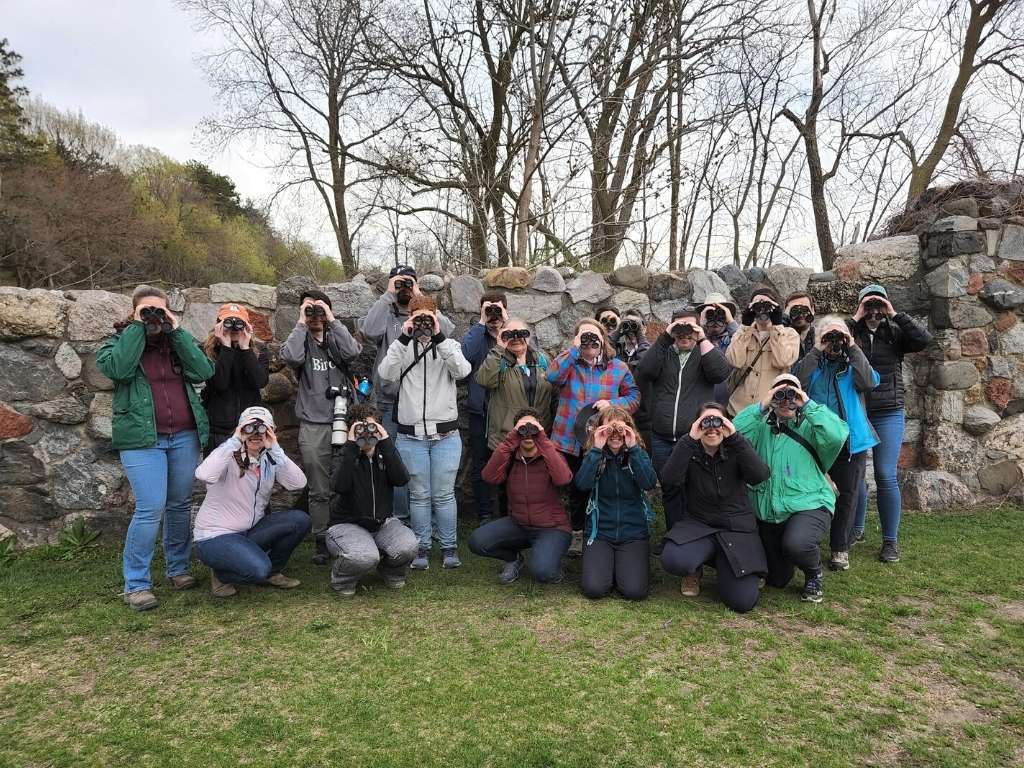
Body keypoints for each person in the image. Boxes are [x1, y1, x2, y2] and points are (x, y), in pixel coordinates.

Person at [97, 285, 215, 611]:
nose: (153, 317)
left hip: (184, 436)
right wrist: (136, 328)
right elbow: (118, 370)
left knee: (179, 504)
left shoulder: (177, 343)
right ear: (133, 312)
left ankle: (178, 568)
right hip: (141, 440)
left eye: (159, 311)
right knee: (150, 508)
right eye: (146, 310)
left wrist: (176, 333)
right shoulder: (115, 344)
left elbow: (204, 371)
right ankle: (136, 584)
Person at [734, 373, 849, 603]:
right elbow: (734, 434)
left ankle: (813, 573)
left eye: (792, 394)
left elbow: (838, 434)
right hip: (769, 510)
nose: (787, 400)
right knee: (778, 579)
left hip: (809, 503)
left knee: (798, 544)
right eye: (780, 394)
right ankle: (788, 560)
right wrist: (762, 406)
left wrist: (806, 404)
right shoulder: (760, 427)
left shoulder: (812, 426)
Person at [378, 295, 471, 570]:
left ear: (436, 316)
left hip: (445, 436)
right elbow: (386, 373)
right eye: (415, 315)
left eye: (426, 316)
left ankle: (449, 547)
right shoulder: (402, 345)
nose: (421, 321)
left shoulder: (449, 344)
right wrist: (404, 338)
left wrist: (439, 337)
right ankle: (421, 548)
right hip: (410, 435)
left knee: (443, 494)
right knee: (418, 495)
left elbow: (462, 370)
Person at [361, 265, 455, 522]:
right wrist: (388, 294)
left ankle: (429, 520)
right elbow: (369, 331)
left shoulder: (425, 313)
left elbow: (449, 331)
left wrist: (420, 297)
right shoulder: (387, 313)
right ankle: (401, 517)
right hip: (390, 401)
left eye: (408, 282)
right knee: (395, 462)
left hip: (426, 406)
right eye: (399, 283)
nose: (404, 287)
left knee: (426, 468)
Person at [660, 404, 771, 612]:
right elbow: (669, 479)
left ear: (727, 424)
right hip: (699, 525)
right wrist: (690, 439)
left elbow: (760, 476)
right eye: (705, 423)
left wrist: (736, 438)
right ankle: (695, 569)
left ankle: (729, 566)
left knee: (742, 601)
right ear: (696, 426)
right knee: (674, 559)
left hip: (736, 528)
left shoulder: (737, 447)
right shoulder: (689, 449)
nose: (712, 428)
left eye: (718, 422)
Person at [850, 284, 933, 563]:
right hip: (858, 411)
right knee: (856, 474)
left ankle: (890, 541)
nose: (873, 311)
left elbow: (923, 340)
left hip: (889, 411)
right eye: (868, 305)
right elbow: (832, 342)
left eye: (878, 305)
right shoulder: (854, 334)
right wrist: (856, 317)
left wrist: (894, 314)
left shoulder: (895, 332)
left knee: (885, 475)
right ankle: (856, 529)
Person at [280, 289, 362, 564]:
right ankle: (321, 539)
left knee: (348, 480)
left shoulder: (337, 338)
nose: (315, 315)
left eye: (319, 310)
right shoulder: (301, 341)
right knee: (319, 487)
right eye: (309, 310)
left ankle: (348, 533)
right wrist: (302, 322)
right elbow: (290, 357)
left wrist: (332, 321)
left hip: (345, 420)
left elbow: (353, 352)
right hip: (314, 423)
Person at [546, 320, 640, 554]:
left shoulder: (618, 367)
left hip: (603, 439)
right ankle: (576, 533)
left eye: (594, 337)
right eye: (584, 337)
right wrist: (575, 347)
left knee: (598, 487)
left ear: (603, 340)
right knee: (574, 488)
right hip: (568, 439)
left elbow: (635, 397)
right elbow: (552, 377)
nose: (590, 342)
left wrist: (612, 403)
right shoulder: (569, 364)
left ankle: (600, 533)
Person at [193, 407, 310, 597]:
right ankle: (222, 574)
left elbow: (298, 483)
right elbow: (203, 474)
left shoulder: (269, 458)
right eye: (249, 428)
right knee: (258, 570)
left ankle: (272, 572)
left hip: (249, 531)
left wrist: (276, 448)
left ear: (272, 431)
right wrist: (235, 441)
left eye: (262, 428)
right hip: (216, 536)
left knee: (300, 520)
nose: (256, 434)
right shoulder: (227, 455)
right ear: (240, 429)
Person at [794, 316, 880, 572]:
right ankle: (803, 542)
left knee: (848, 494)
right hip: (815, 439)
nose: (834, 341)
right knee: (807, 492)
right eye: (828, 336)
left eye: (838, 336)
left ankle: (839, 548)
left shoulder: (853, 363)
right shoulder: (813, 364)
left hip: (850, 439)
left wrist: (852, 346)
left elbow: (869, 382)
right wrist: (816, 350)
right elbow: (797, 381)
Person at [635, 306, 730, 533]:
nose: (685, 333)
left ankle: (697, 535)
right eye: (680, 328)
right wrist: (666, 338)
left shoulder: (705, 353)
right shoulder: (663, 352)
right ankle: (674, 534)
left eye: (691, 327)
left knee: (696, 487)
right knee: (670, 487)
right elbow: (644, 371)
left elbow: (720, 373)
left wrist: (702, 338)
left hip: (695, 436)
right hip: (662, 437)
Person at [469, 408, 573, 585]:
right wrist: (510, 441)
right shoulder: (509, 456)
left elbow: (563, 479)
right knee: (478, 542)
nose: (528, 434)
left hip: (552, 527)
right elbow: (489, 477)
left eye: (533, 428)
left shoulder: (551, 453)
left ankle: (549, 562)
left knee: (543, 572)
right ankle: (514, 559)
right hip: (519, 524)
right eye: (522, 429)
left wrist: (542, 440)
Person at [324, 403, 419, 596]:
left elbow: (402, 479)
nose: (366, 434)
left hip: (383, 523)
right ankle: (342, 580)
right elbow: (339, 486)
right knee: (364, 556)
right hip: (347, 525)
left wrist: (385, 441)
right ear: (351, 431)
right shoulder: (344, 455)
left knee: (410, 546)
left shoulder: (385, 455)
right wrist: (351, 447)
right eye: (360, 429)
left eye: (372, 428)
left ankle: (390, 571)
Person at [574, 406, 658, 600]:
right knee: (594, 589)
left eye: (620, 429)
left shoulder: (638, 454)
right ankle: (608, 566)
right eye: (609, 429)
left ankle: (620, 567)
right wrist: (596, 449)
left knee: (634, 591)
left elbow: (648, 482)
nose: (615, 434)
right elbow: (582, 484)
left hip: (633, 533)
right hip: (600, 532)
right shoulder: (594, 456)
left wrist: (634, 448)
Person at [461, 290, 508, 525]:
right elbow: (464, 355)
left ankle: (508, 514)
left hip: (508, 411)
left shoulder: (514, 334)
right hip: (481, 410)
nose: (493, 314)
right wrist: (481, 324)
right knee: (480, 463)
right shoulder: (477, 335)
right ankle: (484, 514)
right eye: (488, 309)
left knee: (508, 461)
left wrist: (507, 326)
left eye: (497, 309)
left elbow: (529, 354)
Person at [475, 318, 553, 451]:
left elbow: (555, 391)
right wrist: (499, 347)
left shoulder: (542, 360)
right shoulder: (497, 359)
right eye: (509, 334)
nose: (516, 338)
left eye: (522, 333)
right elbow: (484, 380)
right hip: (506, 439)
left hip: (539, 436)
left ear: (529, 337)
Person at [202, 303, 270, 451]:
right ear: (218, 325)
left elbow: (260, 382)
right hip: (219, 429)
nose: (233, 328)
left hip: (251, 428)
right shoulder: (208, 350)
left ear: (246, 326)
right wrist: (226, 347)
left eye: (239, 323)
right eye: (228, 323)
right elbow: (219, 383)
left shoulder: (259, 350)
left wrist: (246, 349)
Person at [725, 285, 800, 417]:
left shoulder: (789, 334)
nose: (762, 310)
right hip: (738, 411)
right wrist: (745, 326)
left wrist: (777, 324)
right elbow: (734, 361)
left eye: (767, 305)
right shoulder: (743, 333)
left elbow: (783, 361)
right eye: (757, 306)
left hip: (769, 413)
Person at [609, 308, 653, 448]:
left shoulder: (651, 351)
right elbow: (603, 350)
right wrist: (618, 330)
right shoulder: (614, 351)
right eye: (627, 324)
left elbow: (646, 364)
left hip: (644, 419)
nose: (632, 329)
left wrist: (640, 335)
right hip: (615, 417)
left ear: (644, 329)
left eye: (636, 325)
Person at [783, 292, 817, 363]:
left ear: (812, 310)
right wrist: (784, 319)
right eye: (794, 310)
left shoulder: (821, 338)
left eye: (804, 309)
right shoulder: (781, 338)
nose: (800, 314)